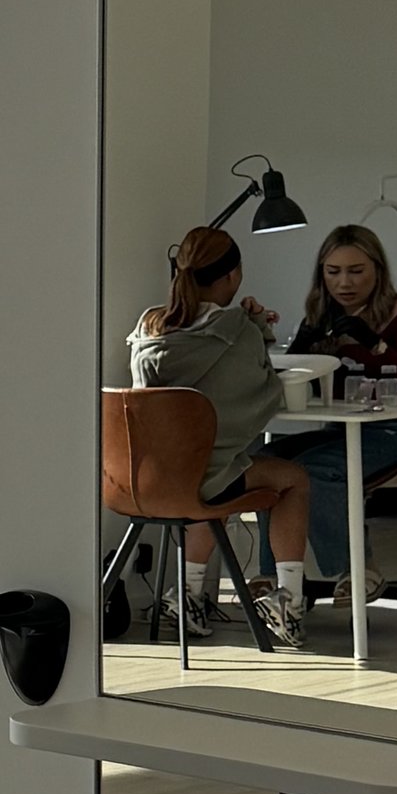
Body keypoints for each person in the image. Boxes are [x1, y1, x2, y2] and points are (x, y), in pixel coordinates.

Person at [130, 224, 312, 642]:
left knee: (215, 467)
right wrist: (257, 327)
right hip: (201, 481)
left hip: (142, 480)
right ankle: (288, 602)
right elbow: (262, 392)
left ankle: (188, 595)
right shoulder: (237, 330)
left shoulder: (148, 327)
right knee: (291, 479)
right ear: (233, 275)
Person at [285, 224, 397, 594]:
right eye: (333, 272)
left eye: (356, 271)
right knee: (264, 465)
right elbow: (291, 386)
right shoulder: (320, 316)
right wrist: (299, 351)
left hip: (392, 434)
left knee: (314, 471)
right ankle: (276, 578)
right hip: (338, 431)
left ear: (377, 270)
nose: (344, 283)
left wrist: (372, 344)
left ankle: (356, 571)